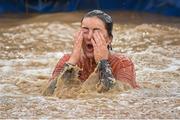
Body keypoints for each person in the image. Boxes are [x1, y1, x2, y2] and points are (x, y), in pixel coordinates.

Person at [43, 10, 139, 95]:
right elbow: (49, 93)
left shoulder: (123, 64)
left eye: (96, 31)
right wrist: (71, 63)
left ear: (109, 39)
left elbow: (115, 96)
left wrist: (103, 63)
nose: (89, 36)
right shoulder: (67, 60)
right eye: (85, 30)